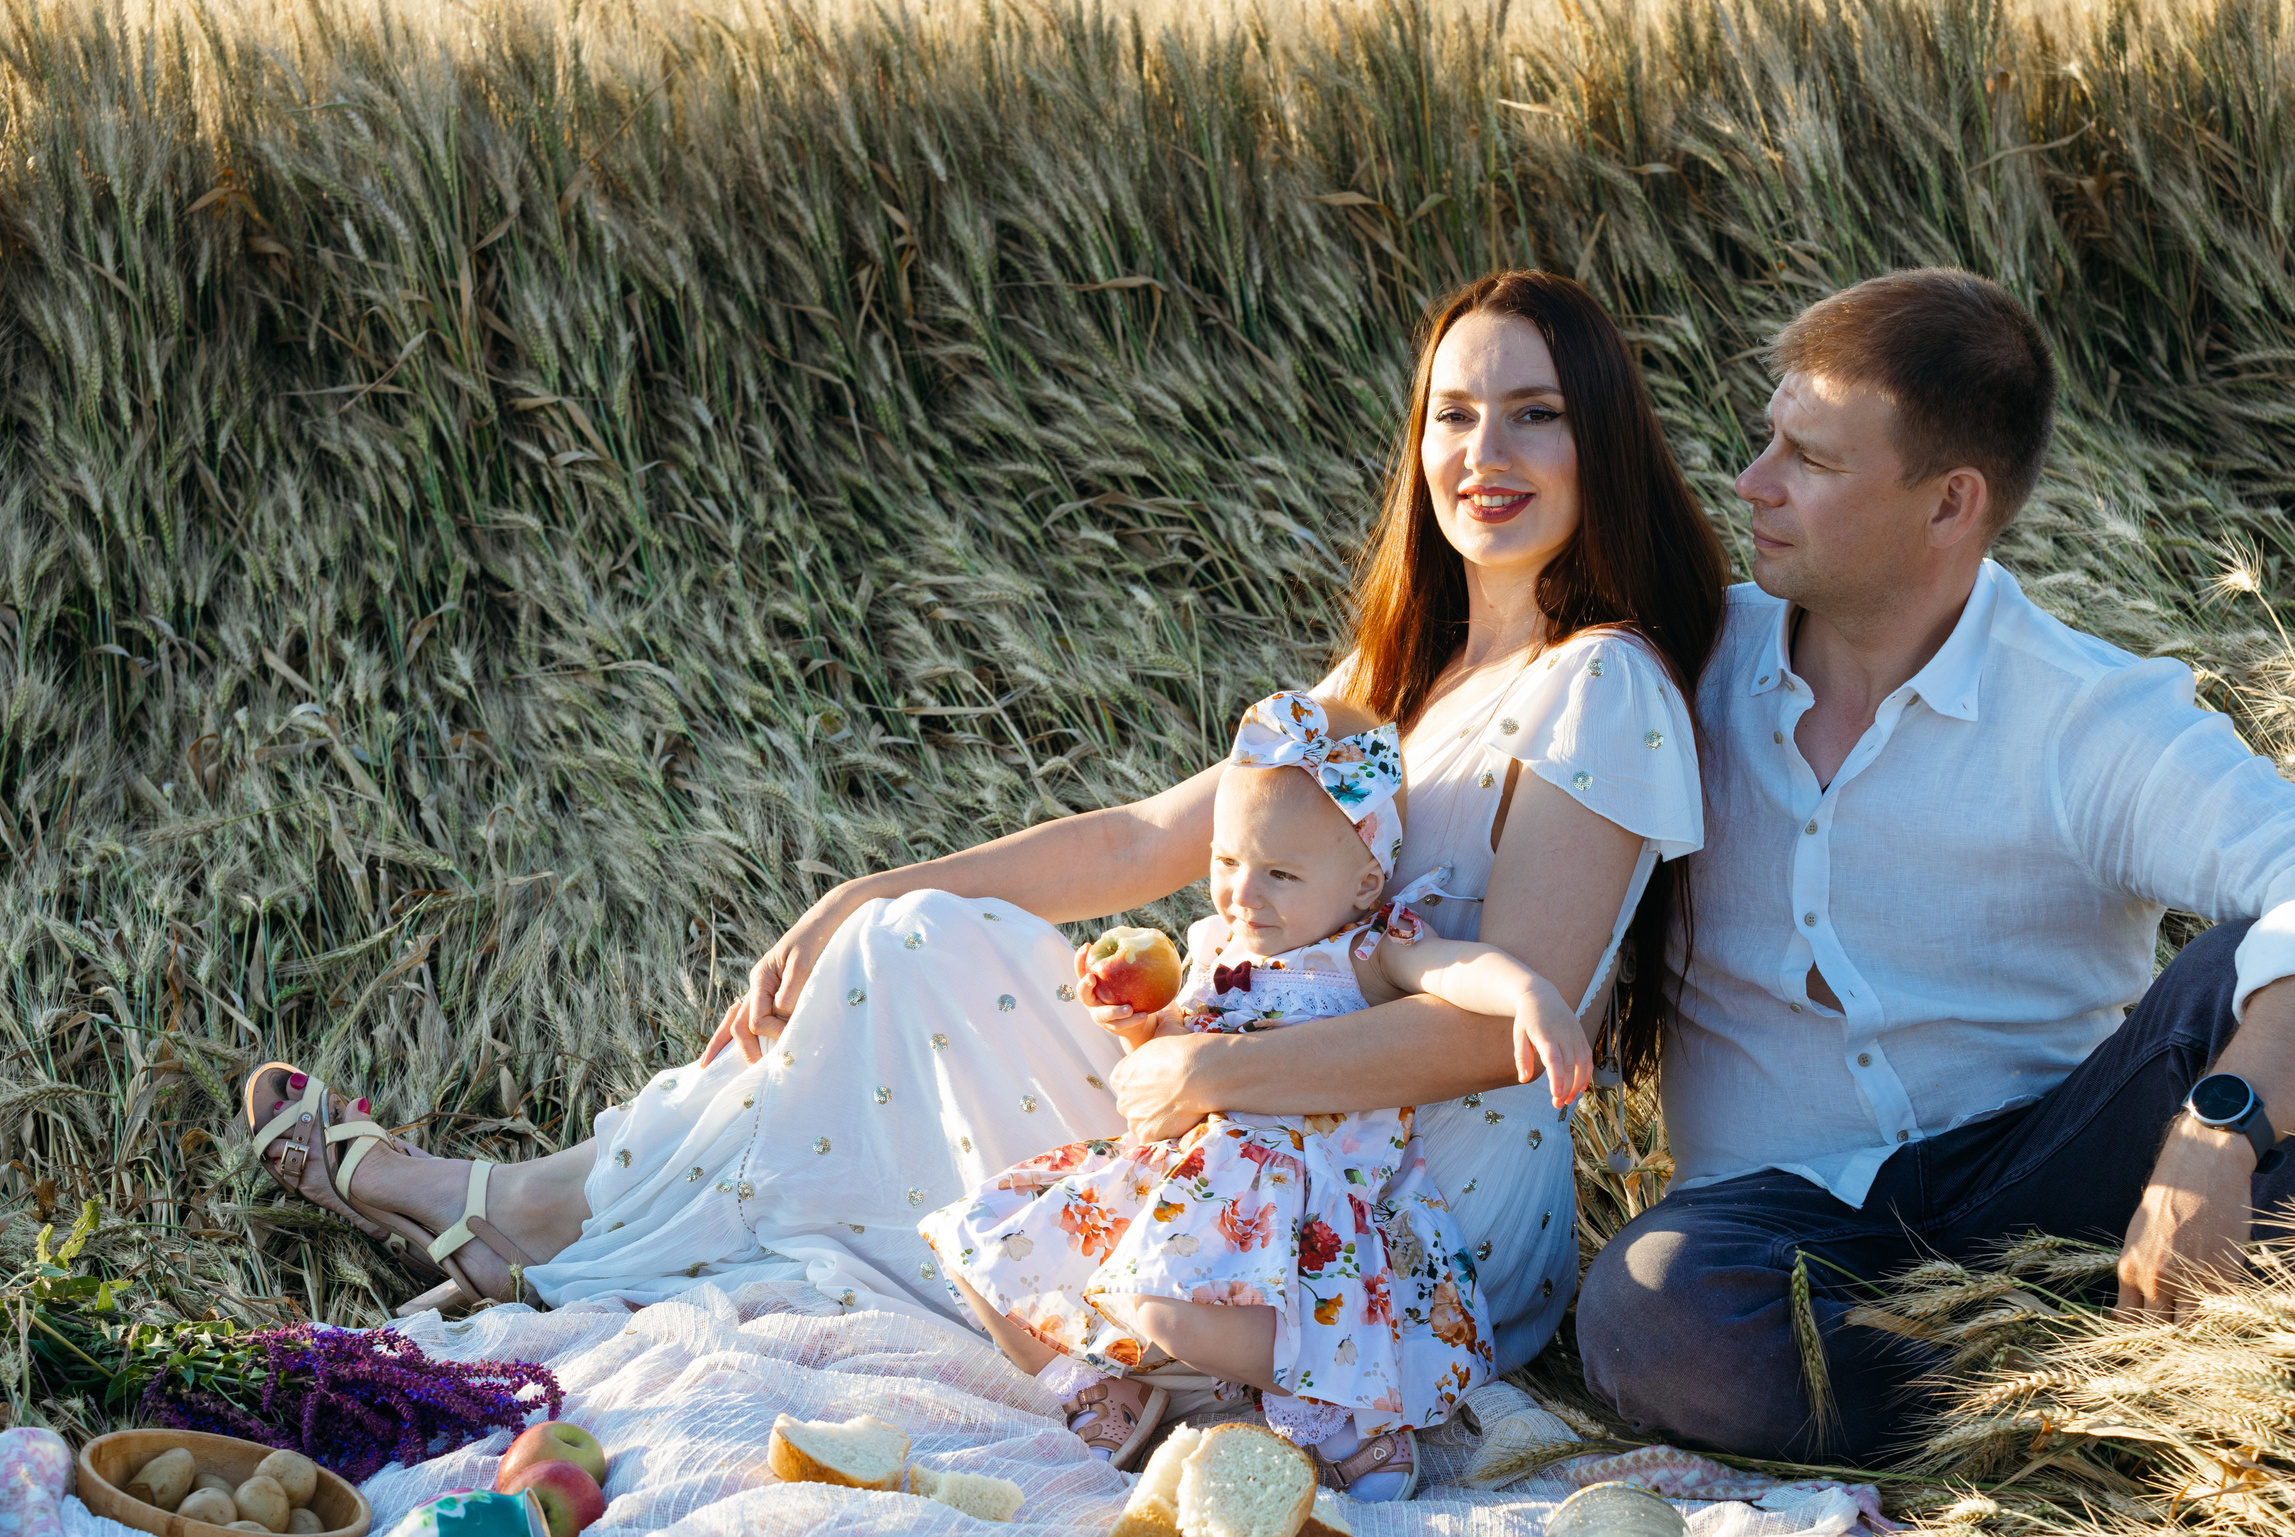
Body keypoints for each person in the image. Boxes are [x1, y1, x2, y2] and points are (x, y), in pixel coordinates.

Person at [238, 270, 1724, 1435]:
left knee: (918, 987)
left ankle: (536, 1209)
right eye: (1454, 414)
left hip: (1415, 1212)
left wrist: (1210, 1073)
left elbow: (1503, 1036)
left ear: (1600, 435)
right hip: (1265, 1125)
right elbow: (1151, 835)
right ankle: (559, 1204)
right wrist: (869, 884)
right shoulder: (1393, 678)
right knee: (906, 943)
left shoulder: (1603, 686)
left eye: (1535, 413)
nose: (1487, 452)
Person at [1576, 268, 2295, 1467]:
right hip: (1778, 1225)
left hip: (2052, 1169)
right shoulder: (1673, 678)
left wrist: (2217, 1133)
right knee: (1648, 1310)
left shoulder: (2081, 715)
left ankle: (2222, 1378)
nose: (1752, 482)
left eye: (1811, 461)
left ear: (1949, 505)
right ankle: (2087, 1416)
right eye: (1765, 439)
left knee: (2280, 985)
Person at [923, 692, 1595, 1495]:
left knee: (1165, 1307)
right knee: (976, 1236)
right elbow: (1179, 1059)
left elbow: (1459, 969)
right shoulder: (1211, 946)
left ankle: (1338, 1404)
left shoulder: (1366, 948)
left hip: (1307, 1200)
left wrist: (1532, 994)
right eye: (1228, 862)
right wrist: (1139, 1025)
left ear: (1363, 881)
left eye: (1279, 873)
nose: (1244, 894)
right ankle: (1097, 1389)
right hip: (1186, 1176)